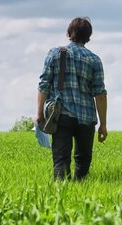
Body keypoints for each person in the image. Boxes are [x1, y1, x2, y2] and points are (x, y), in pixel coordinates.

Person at [36, 17, 108, 181]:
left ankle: (62, 197)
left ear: (69, 33)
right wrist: (103, 124)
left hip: (62, 115)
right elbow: (100, 94)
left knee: (61, 161)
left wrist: (39, 114)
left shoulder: (56, 54)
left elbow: (44, 85)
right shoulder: (95, 60)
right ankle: (81, 195)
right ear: (88, 37)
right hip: (87, 118)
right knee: (83, 162)